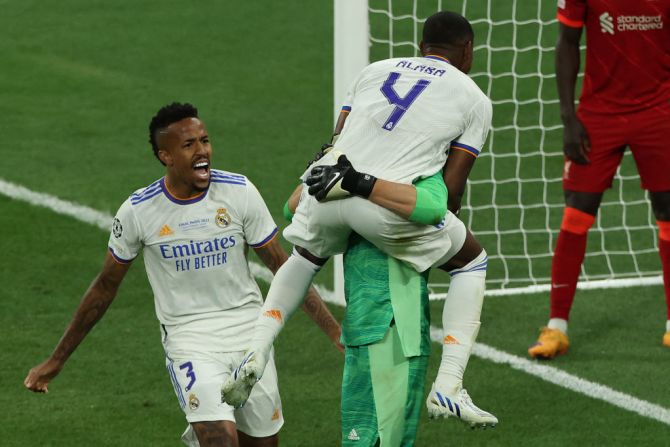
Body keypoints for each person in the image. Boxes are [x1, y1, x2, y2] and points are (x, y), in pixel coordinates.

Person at [223, 11, 497, 428]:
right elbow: (452, 191)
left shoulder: (374, 70)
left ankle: (257, 348)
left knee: (306, 255)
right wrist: (428, 207)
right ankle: (450, 385)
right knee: (471, 261)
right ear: (467, 50)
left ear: (421, 46)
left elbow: (336, 141)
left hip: (327, 189)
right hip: (383, 203)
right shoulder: (474, 97)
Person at [23, 103, 342, 447]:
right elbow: (104, 288)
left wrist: (336, 332)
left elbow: (285, 268)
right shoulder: (139, 211)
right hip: (190, 340)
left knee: (263, 443)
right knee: (221, 440)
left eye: (204, 140)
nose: (202, 150)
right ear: (166, 156)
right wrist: (57, 359)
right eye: (188, 145)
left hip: (250, 335)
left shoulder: (238, 191)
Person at [528, 1, 670, 359]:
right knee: (577, 210)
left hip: (661, 109)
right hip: (599, 113)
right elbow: (567, 41)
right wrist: (568, 116)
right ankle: (556, 327)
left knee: (668, 210)